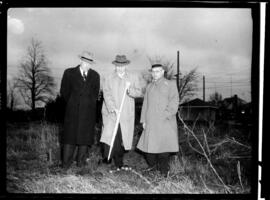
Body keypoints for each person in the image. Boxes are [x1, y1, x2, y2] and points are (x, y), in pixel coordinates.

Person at [100, 55, 142, 171]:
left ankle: (119, 162)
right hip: (111, 112)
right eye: (118, 66)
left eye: (122, 66)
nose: (120, 68)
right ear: (115, 65)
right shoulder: (108, 77)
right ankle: (106, 159)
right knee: (110, 136)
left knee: (121, 137)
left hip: (126, 113)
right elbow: (106, 93)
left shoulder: (133, 77)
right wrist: (113, 107)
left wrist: (130, 91)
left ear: (126, 65)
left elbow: (139, 92)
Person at [137, 63, 179, 176]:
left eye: (157, 71)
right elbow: (145, 104)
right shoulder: (149, 86)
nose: (155, 74)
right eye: (153, 71)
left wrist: (166, 115)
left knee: (163, 150)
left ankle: (164, 173)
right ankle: (154, 169)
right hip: (150, 122)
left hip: (165, 122)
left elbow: (174, 102)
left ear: (162, 72)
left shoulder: (170, 84)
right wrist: (143, 120)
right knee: (148, 149)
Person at [60, 51, 100, 169]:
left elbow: (95, 94)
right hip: (72, 112)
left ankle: (81, 165)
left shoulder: (95, 76)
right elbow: (64, 92)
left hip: (88, 114)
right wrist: (73, 103)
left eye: (89, 63)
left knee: (84, 139)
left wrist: (86, 104)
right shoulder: (69, 73)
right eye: (85, 62)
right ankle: (66, 165)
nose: (87, 65)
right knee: (69, 138)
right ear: (81, 61)